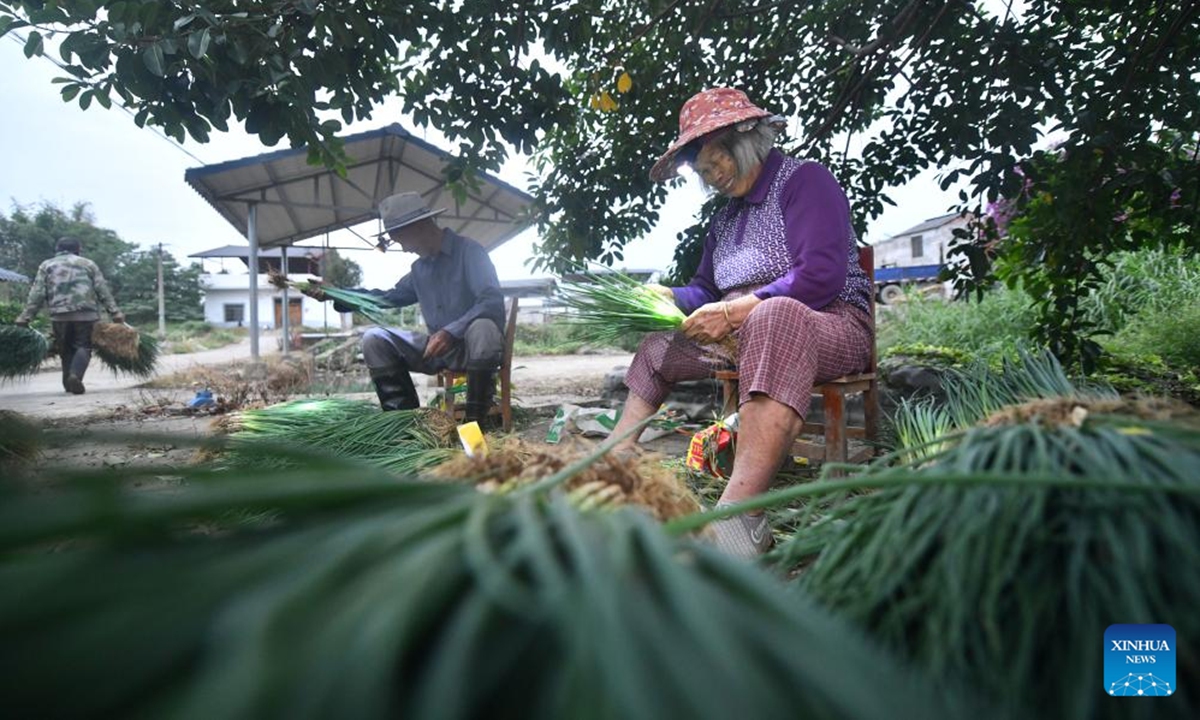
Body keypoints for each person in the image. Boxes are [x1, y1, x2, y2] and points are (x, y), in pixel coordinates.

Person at [609, 88, 875, 557]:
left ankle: (740, 515)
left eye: (716, 163)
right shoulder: (726, 218)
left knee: (773, 316)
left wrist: (736, 311)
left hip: (829, 323)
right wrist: (669, 297)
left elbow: (820, 276)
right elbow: (706, 292)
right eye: (704, 172)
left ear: (745, 140)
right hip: (744, 336)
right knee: (658, 346)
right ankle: (613, 462)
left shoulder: (804, 182)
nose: (712, 178)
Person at [306, 192, 506, 422]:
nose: (403, 249)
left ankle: (476, 425)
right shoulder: (419, 270)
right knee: (375, 339)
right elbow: (386, 298)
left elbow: (491, 301)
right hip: (436, 350)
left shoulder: (470, 252)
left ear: (419, 226)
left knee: (483, 328)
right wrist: (335, 293)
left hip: (475, 349)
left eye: (401, 241)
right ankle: (406, 425)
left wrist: (451, 332)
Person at [15, 236, 125, 395]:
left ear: (57, 250)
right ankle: (75, 376)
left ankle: (68, 383)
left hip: (59, 316)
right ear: (78, 250)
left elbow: (37, 293)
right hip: (86, 315)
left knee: (65, 349)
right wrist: (115, 312)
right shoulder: (88, 264)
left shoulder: (47, 265)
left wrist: (26, 316)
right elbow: (102, 290)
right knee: (83, 346)